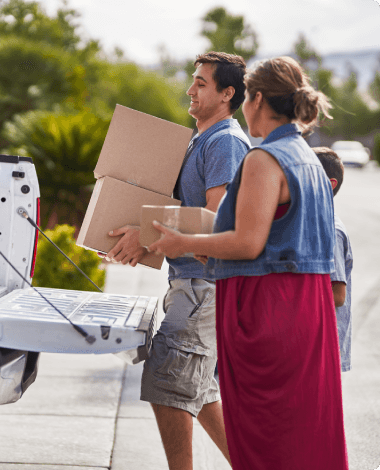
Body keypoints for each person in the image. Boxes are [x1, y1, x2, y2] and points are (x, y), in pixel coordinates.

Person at [148, 56, 348, 469]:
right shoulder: (310, 160)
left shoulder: (264, 158)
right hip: (306, 310)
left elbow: (247, 241)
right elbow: (280, 240)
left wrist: (181, 240)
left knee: (265, 434)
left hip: (267, 310)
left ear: (254, 99)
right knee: (300, 434)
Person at [105, 51, 250, 470]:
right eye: (194, 80)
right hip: (192, 285)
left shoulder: (224, 142)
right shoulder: (202, 138)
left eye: (201, 83)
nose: (190, 89)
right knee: (199, 394)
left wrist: (146, 239)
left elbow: (214, 223)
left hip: (204, 288)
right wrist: (129, 237)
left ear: (227, 93)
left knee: (168, 387)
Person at [313, 146, 353, 372]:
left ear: (329, 185)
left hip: (324, 341)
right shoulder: (313, 222)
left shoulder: (330, 229)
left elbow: (337, 294)